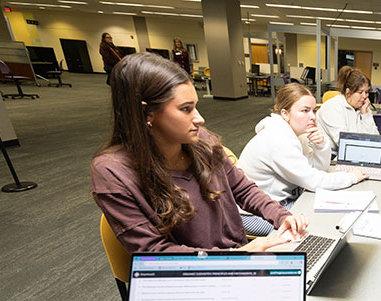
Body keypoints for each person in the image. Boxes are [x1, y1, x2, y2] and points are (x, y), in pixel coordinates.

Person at [91, 52, 307, 253]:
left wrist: (281, 216)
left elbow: (242, 189)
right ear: (146, 112)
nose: (199, 118)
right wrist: (236, 257)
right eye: (186, 109)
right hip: (188, 279)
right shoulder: (113, 172)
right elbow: (154, 252)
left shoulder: (201, 140)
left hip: (235, 257)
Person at [237, 83, 367, 235]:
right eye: (305, 111)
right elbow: (314, 181)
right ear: (285, 114)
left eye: (313, 110)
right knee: (317, 223)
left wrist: (321, 145)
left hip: (279, 203)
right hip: (255, 215)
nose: (312, 116)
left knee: (323, 207)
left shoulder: (295, 134)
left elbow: (317, 169)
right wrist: (351, 177)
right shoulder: (279, 140)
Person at [317, 67, 379, 153]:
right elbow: (346, 144)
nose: (365, 96)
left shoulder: (363, 107)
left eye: (367, 92)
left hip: (357, 154)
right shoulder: (332, 108)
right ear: (348, 92)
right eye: (360, 92)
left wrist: (365, 115)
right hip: (330, 157)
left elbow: (376, 139)